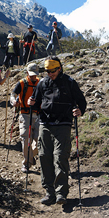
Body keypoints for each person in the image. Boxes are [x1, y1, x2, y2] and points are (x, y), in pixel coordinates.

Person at [28, 56, 86, 205]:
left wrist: (80, 110)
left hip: (63, 124)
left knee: (60, 157)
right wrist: (31, 103)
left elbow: (82, 101)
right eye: (47, 71)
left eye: (52, 71)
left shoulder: (69, 82)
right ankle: (49, 193)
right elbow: (35, 103)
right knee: (44, 156)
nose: (49, 74)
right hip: (45, 124)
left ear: (59, 68)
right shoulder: (42, 83)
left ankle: (61, 193)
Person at [10, 63, 40, 173]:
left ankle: (31, 156)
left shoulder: (40, 83)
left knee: (38, 140)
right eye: (31, 74)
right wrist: (13, 101)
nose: (33, 77)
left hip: (38, 114)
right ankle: (26, 163)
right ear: (27, 73)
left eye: (34, 75)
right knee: (25, 139)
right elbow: (13, 94)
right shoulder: (22, 83)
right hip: (24, 113)